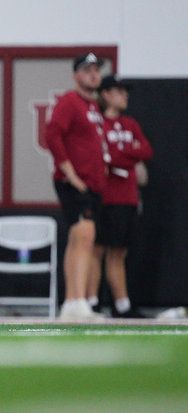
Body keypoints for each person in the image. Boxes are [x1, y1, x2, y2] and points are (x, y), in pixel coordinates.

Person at [44, 53, 108, 321]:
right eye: (87, 70)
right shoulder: (70, 101)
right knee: (84, 236)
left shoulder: (94, 107)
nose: (93, 74)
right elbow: (52, 133)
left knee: (78, 239)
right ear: (76, 76)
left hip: (92, 184)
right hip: (75, 182)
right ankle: (78, 301)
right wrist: (70, 173)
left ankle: (72, 302)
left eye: (96, 70)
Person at [88, 74, 152, 317]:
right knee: (98, 250)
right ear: (105, 94)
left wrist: (120, 156)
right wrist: (128, 155)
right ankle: (91, 301)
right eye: (119, 91)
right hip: (106, 196)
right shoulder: (98, 125)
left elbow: (146, 150)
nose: (125, 95)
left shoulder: (130, 124)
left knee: (119, 253)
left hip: (128, 198)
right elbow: (103, 157)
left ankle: (122, 304)